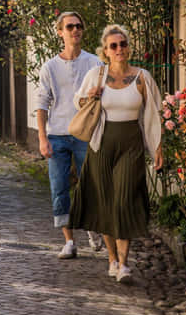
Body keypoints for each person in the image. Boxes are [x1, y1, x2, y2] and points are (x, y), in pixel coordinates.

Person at [69, 24, 163, 282]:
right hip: (101, 144)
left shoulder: (142, 77)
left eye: (123, 44)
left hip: (130, 144)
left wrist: (157, 149)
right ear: (105, 51)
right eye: (114, 46)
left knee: (124, 199)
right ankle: (111, 259)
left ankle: (123, 264)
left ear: (128, 48)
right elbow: (78, 102)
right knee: (105, 203)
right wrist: (90, 96)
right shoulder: (96, 75)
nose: (119, 49)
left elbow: (154, 115)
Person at [35, 11, 105, 259]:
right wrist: (42, 139)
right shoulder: (50, 67)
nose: (75, 30)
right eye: (70, 27)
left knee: (92, 185)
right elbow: (42, 105)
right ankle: (69, 241)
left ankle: (93, 226)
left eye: (79, 26)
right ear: (60, 32)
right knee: (59, 188)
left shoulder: (95, 63)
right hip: (57, 135)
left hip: (86, 134)